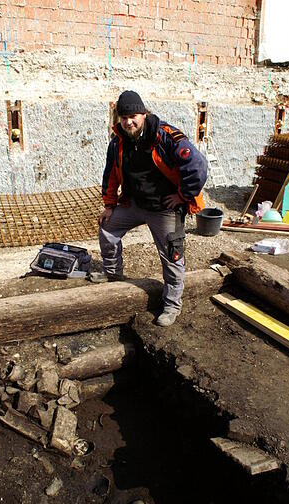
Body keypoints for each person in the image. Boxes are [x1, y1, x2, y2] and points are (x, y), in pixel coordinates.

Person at [98, 90, 208, 327]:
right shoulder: (117, 142)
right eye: (124, 117)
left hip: (164, 208)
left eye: (133, 116)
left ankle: (172, 305)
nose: (129, 122)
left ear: (144, 114)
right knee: (107, 227)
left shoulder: (165, 136)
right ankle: (113, 274)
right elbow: (110, 174)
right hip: (135, 203)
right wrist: (109, 205)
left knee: (172, 256)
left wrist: (182, 196)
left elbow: (197, 165)